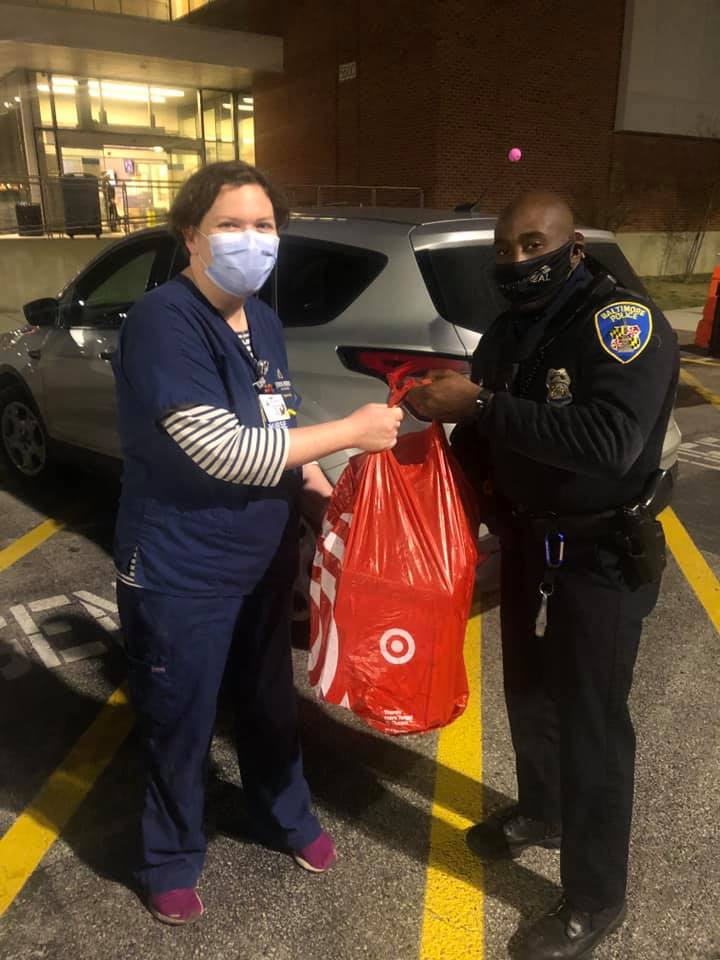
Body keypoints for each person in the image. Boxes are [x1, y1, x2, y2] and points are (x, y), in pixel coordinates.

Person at [112, 161, 403, 925]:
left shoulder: (261, 320)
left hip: (260, 558)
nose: (251, 240)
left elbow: (277, 433)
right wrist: (354, 432)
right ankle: (170, 855)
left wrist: (326, 502)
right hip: (181, 566)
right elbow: (224, 449)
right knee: (181, 717)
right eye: (230, 225)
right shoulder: (163, 321)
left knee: (272, 701)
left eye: (264, 225)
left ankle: (285, 813)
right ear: (192, 237)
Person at [407, 191, 678, 960]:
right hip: (529, 548)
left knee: (593, 726)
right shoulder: (512, 328)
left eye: (533, 245)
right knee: (526, 691)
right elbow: (480, 439)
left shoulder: (622, 325)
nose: (517, 261)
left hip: (599, 556)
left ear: (574, 248)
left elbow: (611, 442)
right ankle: (543, 810)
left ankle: (595, 900)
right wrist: (435, 493)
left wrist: (484, 404)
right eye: (505, 250)